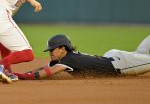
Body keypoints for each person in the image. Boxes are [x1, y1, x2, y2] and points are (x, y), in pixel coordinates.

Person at [12, 34, 150, 81]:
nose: (50, 53)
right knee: (141, 54)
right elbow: (44, 68)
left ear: (63, 49)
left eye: (52, 50)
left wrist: (24, 77)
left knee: (143, 57)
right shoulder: (65, 58)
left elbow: (49, 72)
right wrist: (21, 74)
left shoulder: (69, 60)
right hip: (112, 57)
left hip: (121, 64)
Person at [0, 0, 42, 83]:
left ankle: (6, 71)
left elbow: (11, 11)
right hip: (1, 19)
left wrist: (21, 0)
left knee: (4, 47)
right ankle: (2, 66)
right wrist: (30, 0)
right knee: (28, 54)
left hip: (3, 17)